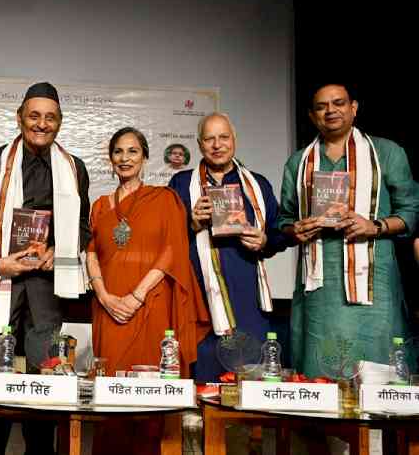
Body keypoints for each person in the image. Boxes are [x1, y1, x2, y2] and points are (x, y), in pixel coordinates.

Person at [0, 82, 90, 455]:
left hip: (46, 291)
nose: (41, 124)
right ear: (19, 118)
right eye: (34, 116)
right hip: (0, 284)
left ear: (60, 123)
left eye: (50, 118)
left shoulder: (73, 168)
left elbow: (83, 228)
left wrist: (58, 250)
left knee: (43, 392)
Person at [279, 83, 419, 377]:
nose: (330, 110)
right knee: (320, 378)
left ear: (353, 108)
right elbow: (284, 220)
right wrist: (296, 231)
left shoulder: (387, 153)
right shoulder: (298, 162)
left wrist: (375, 226)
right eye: (321, 106)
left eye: (338, 103)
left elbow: (411, 212)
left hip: (374, 289)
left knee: (379, 376)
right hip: (319, 292)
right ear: (311, 115)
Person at [88, 127, 210, 454]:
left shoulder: (165, 199)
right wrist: (104, 295)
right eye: (118, 152)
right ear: (110, 159)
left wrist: (136, 295)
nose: (125, 158)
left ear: (144, 157)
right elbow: (90, 253)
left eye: (132, 152)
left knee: (150, 398)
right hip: (109, 309)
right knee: (110, 397)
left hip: (151, 305)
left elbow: (172, 249)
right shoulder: (99, 206)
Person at [168, 113, 289, 381]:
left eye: (223, 137)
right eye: (209, 139)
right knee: (201, 387)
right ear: (199, 145)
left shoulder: (256, 184)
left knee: (249, 386)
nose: (217, 144)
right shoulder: (180, 184)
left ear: (234, 140)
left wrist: (265, 241)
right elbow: (164, 241)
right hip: (199, 304)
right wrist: (191, 223)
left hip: (247, 299)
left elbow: (279, 234)